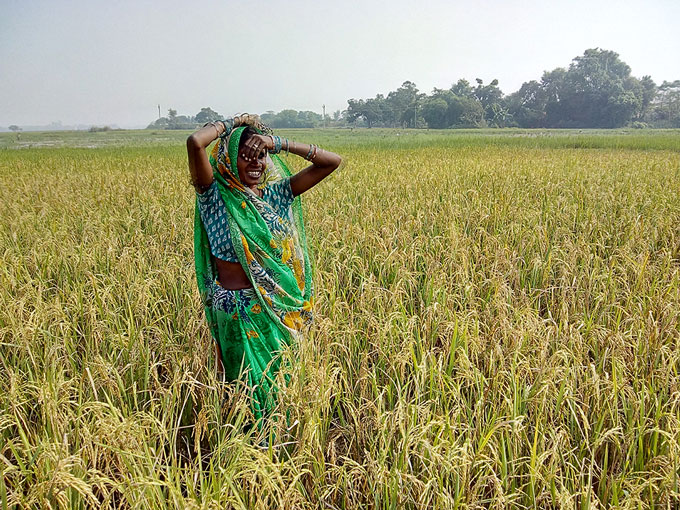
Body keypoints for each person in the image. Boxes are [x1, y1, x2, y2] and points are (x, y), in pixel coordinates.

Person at [186, 114, 341, 420]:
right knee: (243, 394)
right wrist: (230, 124)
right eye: (245, 157)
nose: (256, 164)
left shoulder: (276, 196)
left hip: (277, 309)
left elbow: (331, 162)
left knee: (279, 387)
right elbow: (195, 143)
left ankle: (276, 448)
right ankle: (242, 451)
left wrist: (277, 143)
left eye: (261, 156)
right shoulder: (215, 198)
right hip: (237, 313)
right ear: (230, 160)